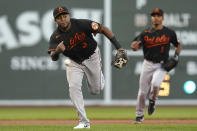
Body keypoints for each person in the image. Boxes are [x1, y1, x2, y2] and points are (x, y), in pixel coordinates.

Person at [48, 6, 126, 129]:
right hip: (74, 62)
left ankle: (99, 77)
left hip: (92, 57)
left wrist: (119, 48)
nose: (63, 19)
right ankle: (84, 122)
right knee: (73, 87)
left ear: (68, 15)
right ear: (55, 21)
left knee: (96, 90)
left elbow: (103, 29)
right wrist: (57, 52)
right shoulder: (55, 37)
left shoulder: (81, 24)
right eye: (59, 18)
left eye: (65, 16)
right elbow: (53, 57)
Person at [131, 8, 181, 124]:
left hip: (162, 65)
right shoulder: (145, 33)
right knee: (142, 92)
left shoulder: (169, 32)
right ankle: (139, 115)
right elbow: (135, 46)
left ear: (162, 18)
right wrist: (134, 47)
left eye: (158, 15)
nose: (156, 17)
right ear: (151, 18)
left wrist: (176, 56)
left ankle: (152, 101)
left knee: (155, 84)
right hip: (147, 64)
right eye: (153, 15)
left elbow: (178, 45)